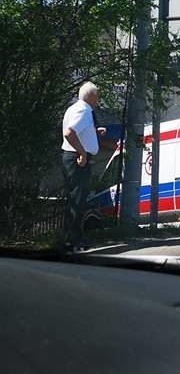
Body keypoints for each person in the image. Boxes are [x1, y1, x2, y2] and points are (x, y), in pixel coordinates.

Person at [60, 81, 101, 253]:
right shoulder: (84, 110)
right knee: (78, 200)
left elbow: (77, 131)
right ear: (90, 96)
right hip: (77, 160)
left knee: (75, 199)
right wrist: (83, 153)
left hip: (71, 157)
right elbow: (69, 133)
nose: (99, 100)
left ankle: (71, 238)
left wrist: (94, 133)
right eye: (98, 96)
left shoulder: (74, 108)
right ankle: (72, 242)